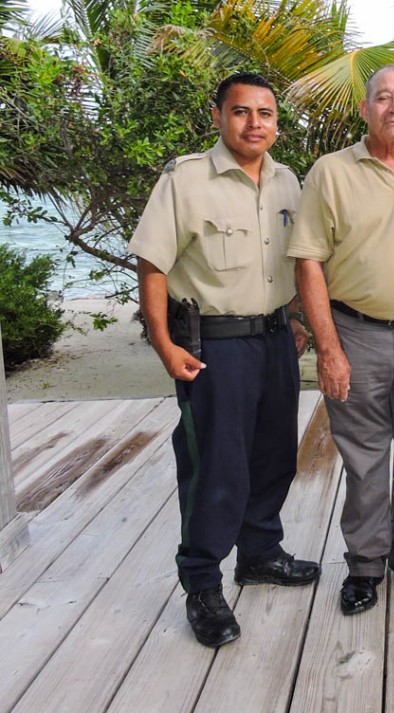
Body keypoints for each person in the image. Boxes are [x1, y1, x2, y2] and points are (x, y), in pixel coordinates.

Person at [129, 71, 320, 648]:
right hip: (214, 347)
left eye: (265, 113)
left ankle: (259, 553)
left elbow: (291, 263)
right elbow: (153, 265)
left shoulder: (288, 182)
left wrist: (294, 319)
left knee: (274, 455)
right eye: (241, 111)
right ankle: (202, 584)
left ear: (276, 123)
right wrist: (163, 344)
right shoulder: (185, 180)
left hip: (275, 341)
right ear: (218, 116)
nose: (254, 123)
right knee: (215, 466)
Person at [288, 65, 394, 616]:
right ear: (365, 109)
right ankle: (364, 563)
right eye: (383, 97)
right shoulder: (331, 172)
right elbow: (308, 261)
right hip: (354, 333)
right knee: (364, 457)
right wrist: (329, 348)